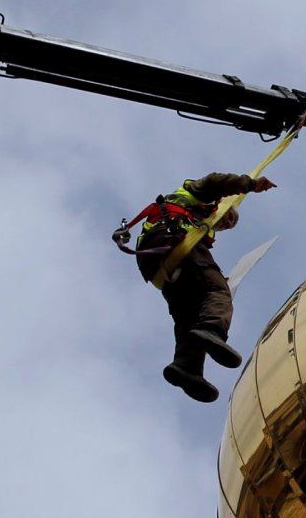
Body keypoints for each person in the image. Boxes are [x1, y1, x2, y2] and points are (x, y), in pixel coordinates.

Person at [114, 171, 278, 403]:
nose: (226, 224)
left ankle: (186, 367)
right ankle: (213, 330)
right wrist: (250, 184)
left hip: (156, 262)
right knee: (218, 291)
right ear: (224, 205)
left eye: (229, 226)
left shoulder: (200, 226)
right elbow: (215, 181)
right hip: (171, 241)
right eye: (229, 217)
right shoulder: (203, 198)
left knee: (190, 314)